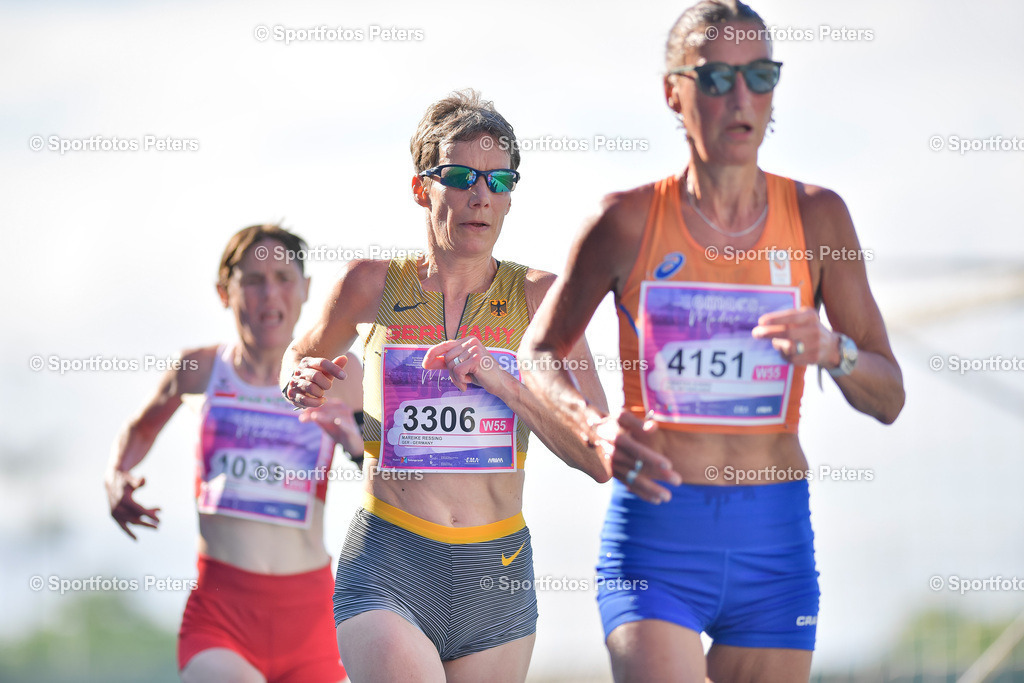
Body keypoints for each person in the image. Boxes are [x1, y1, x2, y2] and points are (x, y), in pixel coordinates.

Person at [519, 2, 906, 681]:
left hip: (773, 539)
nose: (741, 98)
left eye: (759, 75)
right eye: (717, 78)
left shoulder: (819, 217)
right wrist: (594, 427)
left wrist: (834, 352)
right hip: (659, 532)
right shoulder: (625, 221)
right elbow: (538, 352)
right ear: (673, 90)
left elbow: (889, 394)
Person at [280, 90, 613, 683]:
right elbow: (297, 357)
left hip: (497, 571)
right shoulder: (369, 284)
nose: (479, 196)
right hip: (389, 558)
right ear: (421, 188)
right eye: (459, 176)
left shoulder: (540, 298)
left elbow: (598, 453)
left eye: (498, 180)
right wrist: (298, 378)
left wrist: (501, 380)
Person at [105, 224, 362, 683]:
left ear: (305, 290)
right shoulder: (199, 368)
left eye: (284, 278)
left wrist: (358, 447)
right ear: (226, 292)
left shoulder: (340, 374)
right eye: (253, 280)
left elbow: (394, 470)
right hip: (221, 614)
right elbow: (139, 430)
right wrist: (117, 474)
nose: (270, 295)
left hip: (312, 619)